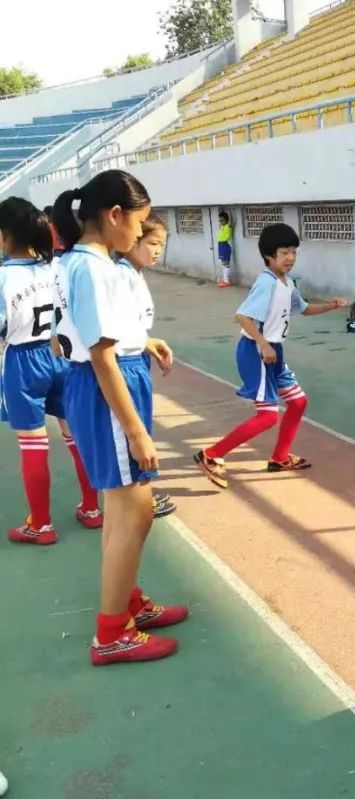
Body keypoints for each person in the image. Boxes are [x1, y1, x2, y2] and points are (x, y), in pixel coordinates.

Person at [52, 170, 185, 665]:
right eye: (139, 222)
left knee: (123, 507)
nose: (139, 234)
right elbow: (101, 357)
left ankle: (126, 605)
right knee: (136, 508)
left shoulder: (83, 262)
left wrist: (142, 341)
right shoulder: (92, 268)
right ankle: (111, 633)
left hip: (109, 380)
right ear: (114, 216)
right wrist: (134, 429)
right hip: (108, 388)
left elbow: (84, 333)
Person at [194, 223, 345, 488]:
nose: (290, 258)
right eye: (284, 252)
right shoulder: (266, 283)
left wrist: (331, 307)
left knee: (298, 402)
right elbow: (242, 316)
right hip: (256, 351)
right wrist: (263, 345)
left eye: (294, 252)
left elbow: (305, 309)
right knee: (268, 415)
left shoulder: (287, 283)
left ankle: (279, 457)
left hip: (275, 351)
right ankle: (210, 455)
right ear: (269, 256)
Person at [0, 197, 101, 545]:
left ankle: (41, 525)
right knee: (76, 438)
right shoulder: (55, 268)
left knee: (33, 445)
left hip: (23, 361)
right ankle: (92, 509)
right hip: (60, 352)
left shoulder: (3, 277)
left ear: (4, 236)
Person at [116, 213, 176, 519]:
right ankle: (139, 499)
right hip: (125, 363)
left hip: (137, 358)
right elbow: (117, 330)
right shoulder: (122, 275)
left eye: (161, 245)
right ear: (132, 241)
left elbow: (133, 325)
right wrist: (143, 342)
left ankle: (143, 494)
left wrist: (149, 342)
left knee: (143, 426)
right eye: (152, 243)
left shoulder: (135, 273)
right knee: (135, 432)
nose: (157, 250)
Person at [217, 210, 233, 288]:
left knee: (226, 263)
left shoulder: (228, 226)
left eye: (222, 220)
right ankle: (225, 279)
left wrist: (230, 210)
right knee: (223, 263)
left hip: (225, 245)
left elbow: (230, 220)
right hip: (220, 245)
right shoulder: (222, 227)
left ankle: (227, 281)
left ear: (226, 220)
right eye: (220, 220)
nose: (221, 222)